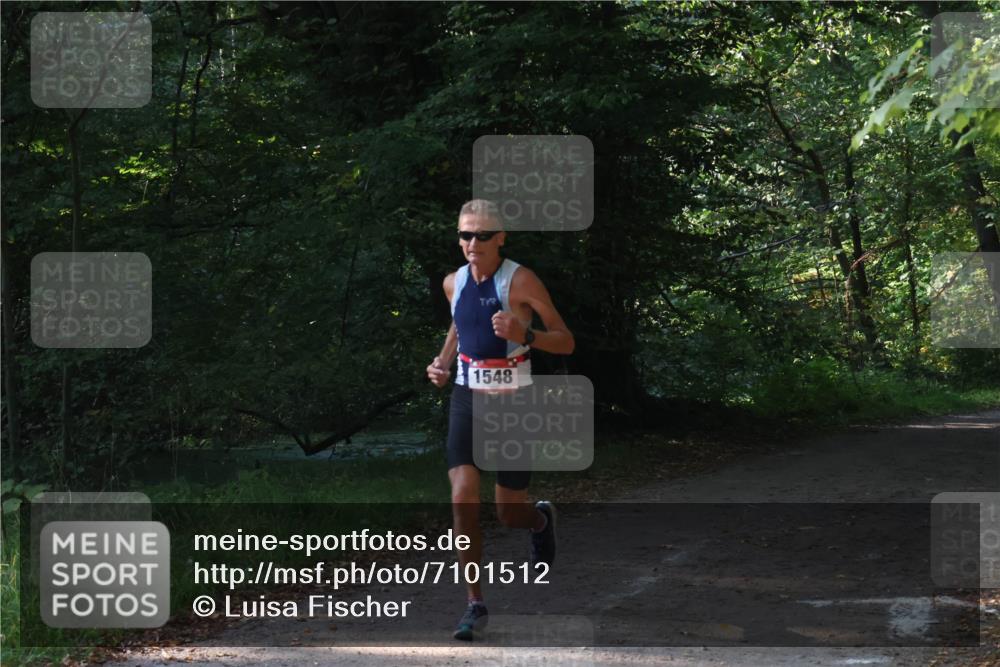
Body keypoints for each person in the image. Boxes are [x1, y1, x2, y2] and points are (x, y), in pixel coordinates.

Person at [426, 199, 575, 640]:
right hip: (467, 397)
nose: (473, 243)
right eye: (465, 235)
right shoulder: (453, 283)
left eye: (483, 235)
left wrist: (524, 334)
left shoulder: (521, 280)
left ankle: (540, 521)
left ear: (501, 238)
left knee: (509, 512)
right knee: (462, 495)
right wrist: (441, 363)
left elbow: (566, 341)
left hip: (513, 403)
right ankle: (475, 604)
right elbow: (458, 326)